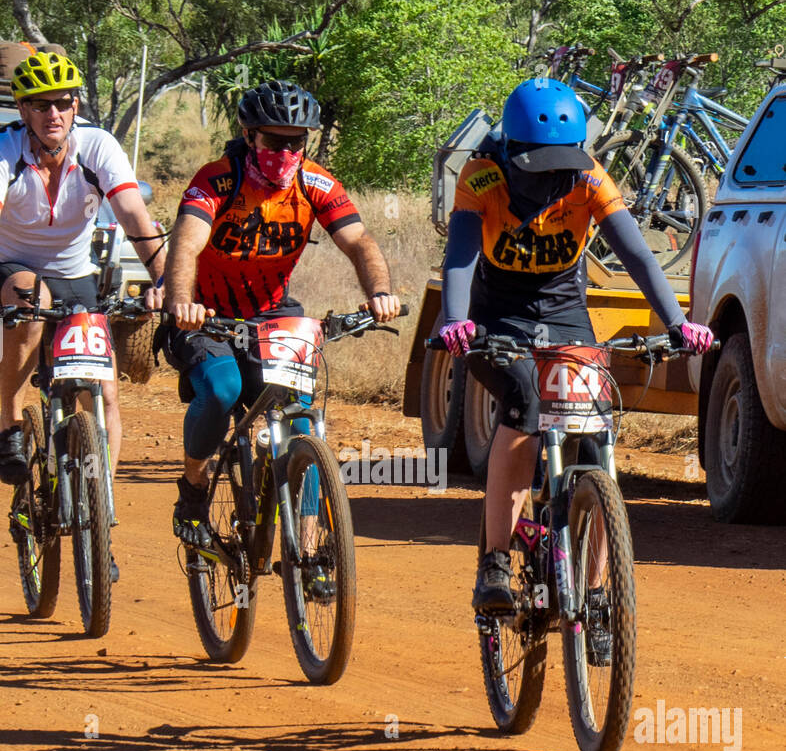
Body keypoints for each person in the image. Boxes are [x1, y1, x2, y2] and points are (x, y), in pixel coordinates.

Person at [439, 77, 713, 632]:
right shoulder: (481, 174)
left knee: (591, 437)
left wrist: (680, 324)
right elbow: (462, 255)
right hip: (495, 317)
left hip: (564, 310)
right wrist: (454, 320)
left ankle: (593, 597)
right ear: (512, 154)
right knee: (522, 402)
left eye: (564, 163)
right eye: (540, 166)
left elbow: (636, 253)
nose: (554, 177)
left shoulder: (589, 176)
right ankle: (494, 564)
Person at [163, 77, 400, 552]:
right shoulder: (217, 178)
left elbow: (359, 242)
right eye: (274, 141)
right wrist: (180, 303)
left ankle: (308, 550)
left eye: (296, 143)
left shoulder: (316, 183)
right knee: (224, 388)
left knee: (300, 420)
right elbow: (186, 243)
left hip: (272, 312)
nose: (286, 152)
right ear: (250, 136)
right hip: (205, 314)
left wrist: (380, 292)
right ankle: (192, 488)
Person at [0, 51, 166, 576]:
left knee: (105, 390)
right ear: (23, 110)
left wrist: (168, 279)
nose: (55, 113)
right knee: (32, 301)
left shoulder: (97, 146)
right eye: (42, 105)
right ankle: (8, 419)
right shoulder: (5, 149)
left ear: (77, 106)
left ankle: (100, 514)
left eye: (65, 103)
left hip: (76, 273)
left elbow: (134, 214)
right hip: (13, 266)